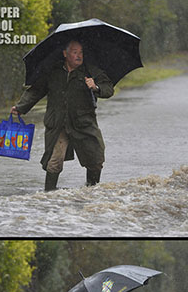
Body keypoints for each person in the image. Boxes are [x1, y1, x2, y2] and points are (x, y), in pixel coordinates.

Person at [11, 39, 114, 191]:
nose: (79, 56)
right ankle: (49, 195)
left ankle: (92, 192)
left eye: (81, 53)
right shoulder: (52, 71)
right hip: (57, 123)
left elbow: (109, 89)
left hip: (83, 122)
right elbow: (36, 90)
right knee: (54, 162)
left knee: (95, 159)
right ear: (65, 54)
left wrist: (96, 87)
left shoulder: (91, 70)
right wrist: (21, 107)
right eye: (75, 52)